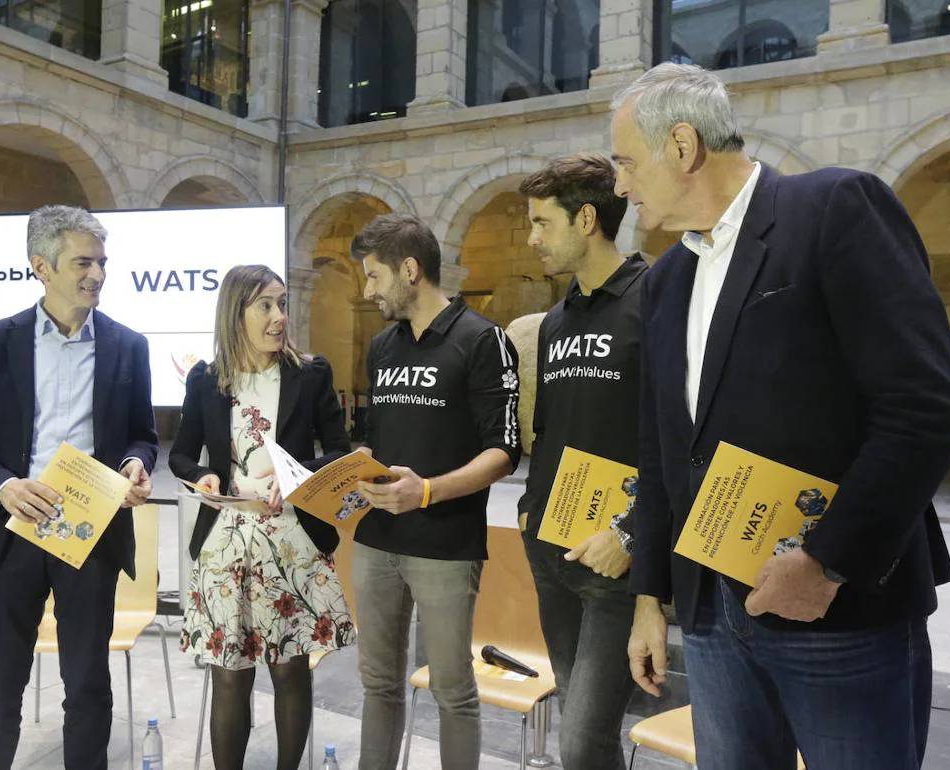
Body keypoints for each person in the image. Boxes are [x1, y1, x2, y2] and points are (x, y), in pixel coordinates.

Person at [614, 63, 950, 770]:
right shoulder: (665, 282)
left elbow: (923, 406)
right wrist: (650, 595)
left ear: (682, 147)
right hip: (713, 617)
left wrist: (828, 562)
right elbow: (662, 452)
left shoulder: (834, 208)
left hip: (838, 616)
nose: (620, 186)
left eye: (626, 162)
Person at [0, 204, 159, 770]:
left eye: (102, 262)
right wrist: (4, 487)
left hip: (89, 536)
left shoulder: (128, 346)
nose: (97, 274)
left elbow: (142, 435)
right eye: (82, 262)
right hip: (13, 533)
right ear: (41, 265)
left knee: (88, 687)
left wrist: (136, 464)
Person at [349, 212, 522, 770]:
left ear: (410, 270)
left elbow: (504, 450)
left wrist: (426, 492)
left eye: (374, 276)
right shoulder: (382, 346)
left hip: (446, 545)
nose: (367, 290)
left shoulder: (482, 340)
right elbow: (379, 439)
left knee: (452, 690)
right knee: (378, 683)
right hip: (375, 541)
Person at [169, 264, 356, 770]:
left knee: (291, 670)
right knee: (230, 674)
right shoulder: (206, 379)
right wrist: (204, 475)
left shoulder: (310, 373)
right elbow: (181, 455)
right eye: (265, 306)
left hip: (294, 540)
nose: (279, 317)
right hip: (225, 545)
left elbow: (338, 453)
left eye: (281, 304)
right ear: (236, 313)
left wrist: (295, 476)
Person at [515, 154, 647, 770]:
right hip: (552, 553)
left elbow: (681, 436)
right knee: (582, 733)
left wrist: (632, 533)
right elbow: (548, 430)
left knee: (582, 743)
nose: (532, 237)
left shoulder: (654, 299)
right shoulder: (557, 319)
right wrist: (528, 509)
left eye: (543, 222)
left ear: (587, 219)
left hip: (613, 559)